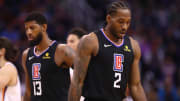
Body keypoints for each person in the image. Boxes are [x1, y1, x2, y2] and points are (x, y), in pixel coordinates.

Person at [68, 1, 147, 101]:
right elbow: (77, 82)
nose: (124, 27)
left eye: (128, 22)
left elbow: (136, 86)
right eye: (121, 22)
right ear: (109, 19)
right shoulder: (91, 41)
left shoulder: (133, 46)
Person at [22, 12, 75, 101]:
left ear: (44, 27)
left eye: (32, 28)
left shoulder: (61, 50)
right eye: (26, 29)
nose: (28, 32)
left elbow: (84, 74)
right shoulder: (26, 55)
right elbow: (28, 92)